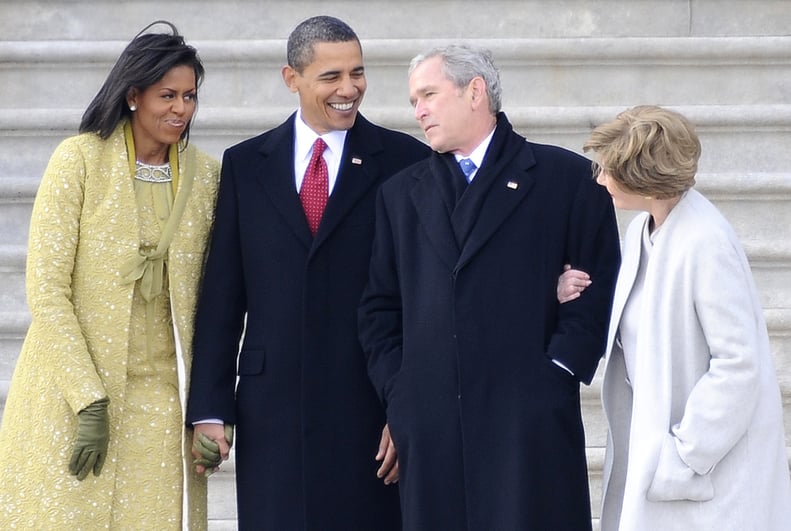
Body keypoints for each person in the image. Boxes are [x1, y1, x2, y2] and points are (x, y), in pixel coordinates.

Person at [357, 44, 621, 530]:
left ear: (475, 91)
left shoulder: (567, 179)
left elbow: (599, 282)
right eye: (414, 100)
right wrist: (401, 393)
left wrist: (558, 370)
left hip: (528, 425)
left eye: (429, 95)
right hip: (432, 427)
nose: (418, 110)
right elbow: (379, 308)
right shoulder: (399, 195)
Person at [184, 16, 431, 530]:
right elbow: (223, 297)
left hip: (368, 403)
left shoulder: (406, 161)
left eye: (357, 73)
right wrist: (209, 405)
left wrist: (409, 410)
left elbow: (424, 298)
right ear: (291, 78)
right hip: (273, 408)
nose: (349, 89)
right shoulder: (246, 164)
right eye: (331, 76)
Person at [0, 21, 220, 529]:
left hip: (164, 400)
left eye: (189, 96)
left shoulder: (207, 177)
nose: (180, 109)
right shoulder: (78, 161)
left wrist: (211, 404)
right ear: (132, 95)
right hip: (73, 393)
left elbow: (218, 298)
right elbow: (48, 290)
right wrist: (87, 400)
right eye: (167, 95)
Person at [559, 105, 791, 530]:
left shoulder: (705, 242)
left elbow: (739, 364)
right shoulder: (641, 232)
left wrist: (685, 456)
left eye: (611, 169)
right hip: (655, 457)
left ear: (645, 176)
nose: (600, 179)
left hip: (704, 474)